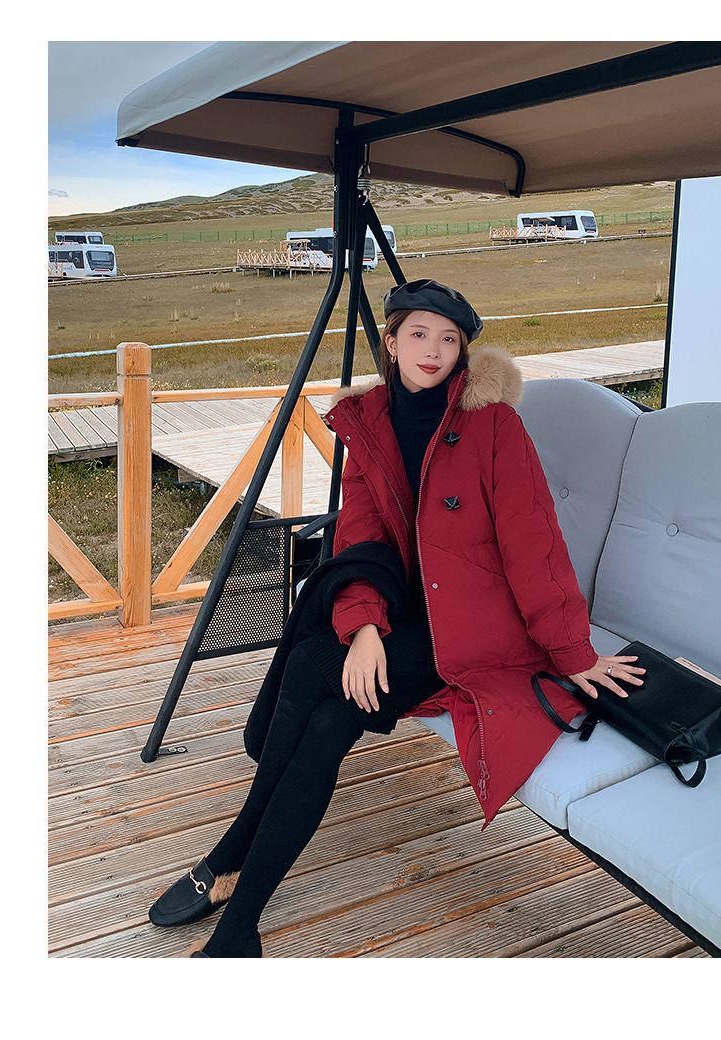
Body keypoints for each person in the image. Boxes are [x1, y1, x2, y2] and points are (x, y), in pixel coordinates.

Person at [147, 278, 644, 958]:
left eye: (449, 339)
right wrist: (365, 629)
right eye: (418, 334)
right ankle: (241, 926)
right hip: (409, 614)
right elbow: (360, 538)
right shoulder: (370, 422)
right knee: (329, 722)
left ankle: (230, 860)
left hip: (479, 624)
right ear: (391, 341)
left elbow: (536, 547)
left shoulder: (494, 426)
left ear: (463, 351)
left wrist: (573, 653)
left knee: (308, 664)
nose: (432, 350)